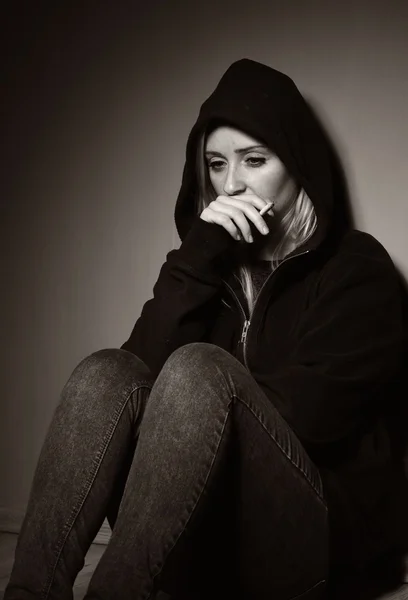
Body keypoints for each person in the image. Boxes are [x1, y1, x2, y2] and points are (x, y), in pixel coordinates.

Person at [4, 58, 406, 600]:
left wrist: (209, 390)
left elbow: (315, 419)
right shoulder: (206, 267)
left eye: (255, 160)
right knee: (106, 370)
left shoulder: (357, 269)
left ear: (298, 166)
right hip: (194, 532)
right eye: (216, 164)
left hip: (309, 545)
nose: (231, 183)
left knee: (197, 368)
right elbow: (131, 379)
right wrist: (197, 255)